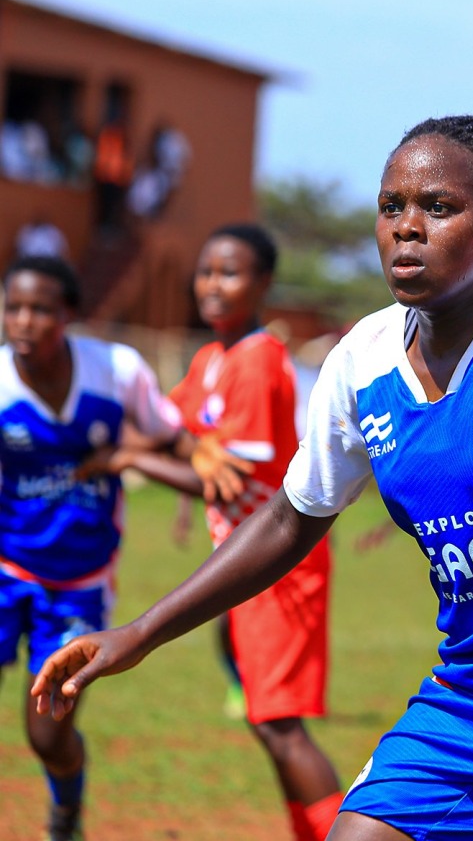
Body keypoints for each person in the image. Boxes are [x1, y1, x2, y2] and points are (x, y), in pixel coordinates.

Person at [33, 115, 473, 841]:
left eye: (438, 207)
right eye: (391, 206)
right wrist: (140, 633)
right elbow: (288, 518)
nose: (407, 227)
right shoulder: (359, 362)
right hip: (471, 699)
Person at [110, 223, 345, 841]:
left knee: (280, 725)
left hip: (279, 562)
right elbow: (165, 427)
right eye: (206, 271)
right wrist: (179, 446)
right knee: (268, 723)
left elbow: (228, 480)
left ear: (263, 283)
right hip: (244, 560)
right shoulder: (210, 358)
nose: (212, 285)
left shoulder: (257, 359)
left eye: (230, 273)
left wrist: (134, 459)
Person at [0, 255, 245, 841]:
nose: (24, 321)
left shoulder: (114, 370)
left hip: (81, 580)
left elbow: (168, 435)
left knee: (48, 732)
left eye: (41, 309)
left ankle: (66, 813)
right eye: (14, 308)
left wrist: (201, 452)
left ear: (69, 314)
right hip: (5, 565)